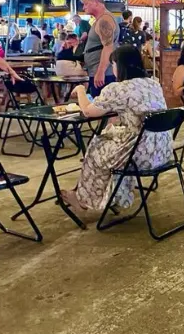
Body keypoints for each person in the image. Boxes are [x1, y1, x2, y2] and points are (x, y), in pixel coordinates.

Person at [60, 46, 170, 213]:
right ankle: (116, 195)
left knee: (97, 146)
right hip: (162, 151)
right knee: (110, 136)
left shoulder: (118, 89)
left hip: (138, 155)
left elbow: (88, 111)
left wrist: (81, 90)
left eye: (113, 64)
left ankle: (84, 200)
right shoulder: (154, 84)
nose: (113, 68)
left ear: (120, 65)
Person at [81, 0, 119, 97]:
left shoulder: (104, 20)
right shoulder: (101, 19)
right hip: (98, 71)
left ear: (96, 2)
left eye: (86, 4)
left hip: (104, 74)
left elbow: (108, 47)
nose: (84, 8)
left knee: (102, 107)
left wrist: (101, 71)